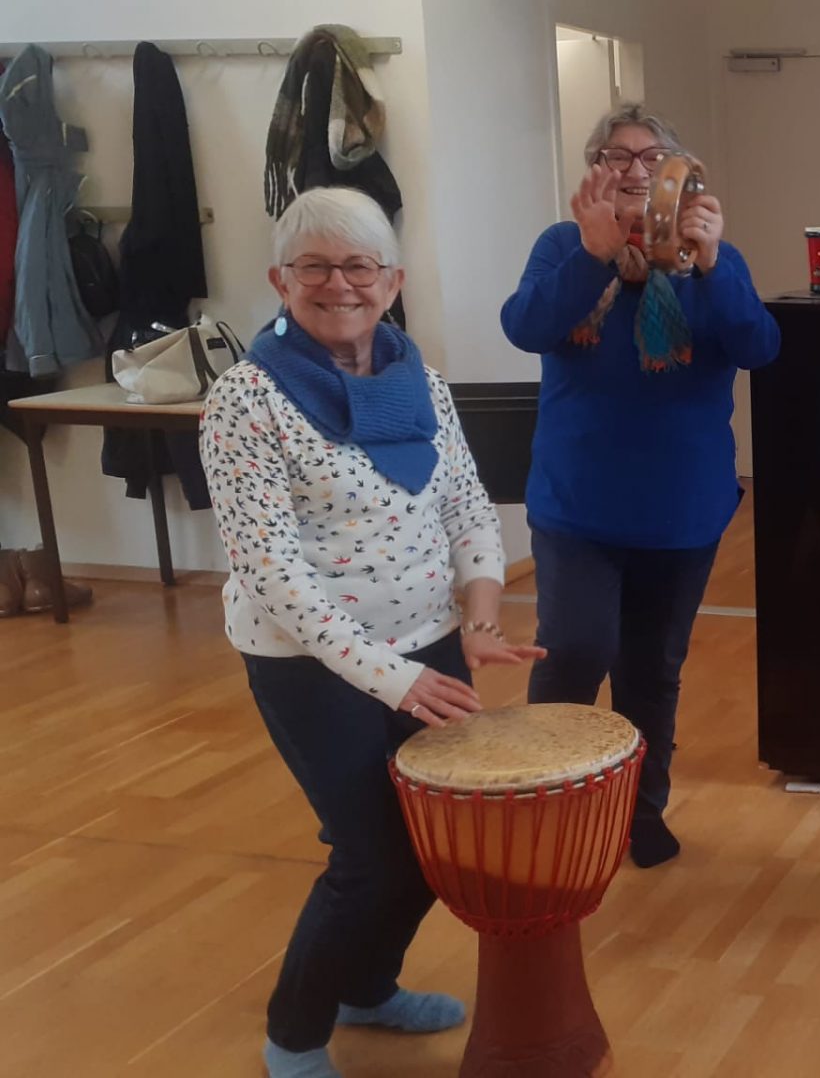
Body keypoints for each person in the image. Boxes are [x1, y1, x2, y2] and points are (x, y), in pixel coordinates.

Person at [201, 187, 545, 1078]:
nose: (339, 284)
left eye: (360, 265)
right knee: (368, 855)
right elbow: (274, 576)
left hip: (427, 644)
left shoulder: (418, 380)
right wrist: (393, 677)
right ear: (280, 280)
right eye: (314, 266)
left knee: (433, 844)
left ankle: (367, 987)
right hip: (310, 664)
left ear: (392, 282)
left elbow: (465, 505)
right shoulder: (246, 400)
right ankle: (294, 1036)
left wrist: (478, 617)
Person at [500, 103, 780, 869]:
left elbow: (758, 345)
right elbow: (525, 326)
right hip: (578, 504)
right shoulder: (563, 247)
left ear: (679, 174)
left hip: (680, 509)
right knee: (575, 649)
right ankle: (552, 809)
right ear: (594, 171)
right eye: (614, 155)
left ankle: (639, 812)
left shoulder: (713, 257)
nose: (633, 168)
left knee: (652, 670)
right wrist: (593, 256)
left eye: (651, 156)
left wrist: (713, 264)